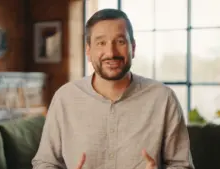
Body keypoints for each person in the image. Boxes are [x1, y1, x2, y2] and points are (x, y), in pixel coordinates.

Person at [32, 8, 194, 169]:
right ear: (88, 51)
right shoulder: (64, 98)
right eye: (101, 43)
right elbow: (45, 163)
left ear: (133, 48)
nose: (111, 52)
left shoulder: (163, 98)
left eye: (120, 42)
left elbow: (181, 165)